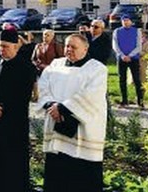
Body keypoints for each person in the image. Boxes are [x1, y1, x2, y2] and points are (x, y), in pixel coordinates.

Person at [37, 34, 108, 192]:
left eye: (73, 47)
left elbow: (92, 95)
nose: (69, 49)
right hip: (56, 125)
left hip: (83, 130)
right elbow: (43, 87)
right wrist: (52, 105)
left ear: (85, 48)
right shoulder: (55, 65)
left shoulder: (97, 69)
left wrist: (63, 108)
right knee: (57, 173)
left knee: (82, 177)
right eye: (67, 46)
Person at [0, 28, 35, 192]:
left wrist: (5, 108)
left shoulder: (26, 67)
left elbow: (23, 95)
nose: (1, 49)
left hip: (14, 123)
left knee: (13, 162)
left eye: (5, 46)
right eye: (0, 46)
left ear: (15, 46)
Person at [112, 15, 144, 107]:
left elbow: (139, 46)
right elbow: (115, 45)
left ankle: (140, 101)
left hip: (133, 58)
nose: (125, 22)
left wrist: (130, 55)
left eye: (127, 20)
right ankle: (124, 100)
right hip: (121, 58)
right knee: (122, 80)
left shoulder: (137, 31)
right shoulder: (117, 31)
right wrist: (122, 55)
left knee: (137, 80)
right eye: (124, 21)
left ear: (131, 21)